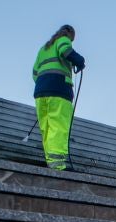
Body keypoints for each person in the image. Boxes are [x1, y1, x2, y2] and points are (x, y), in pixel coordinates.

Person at [31, 24, 86, 170]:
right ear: (69, 34)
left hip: (41, 92)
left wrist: (45, 83)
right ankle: (58, 165)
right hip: (59, 90)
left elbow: (34, 73)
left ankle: (51, 161)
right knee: (59, 125)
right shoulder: (63, 39)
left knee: (46, 127)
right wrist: (80, 61)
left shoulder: (43, 49)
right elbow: (66, 51)